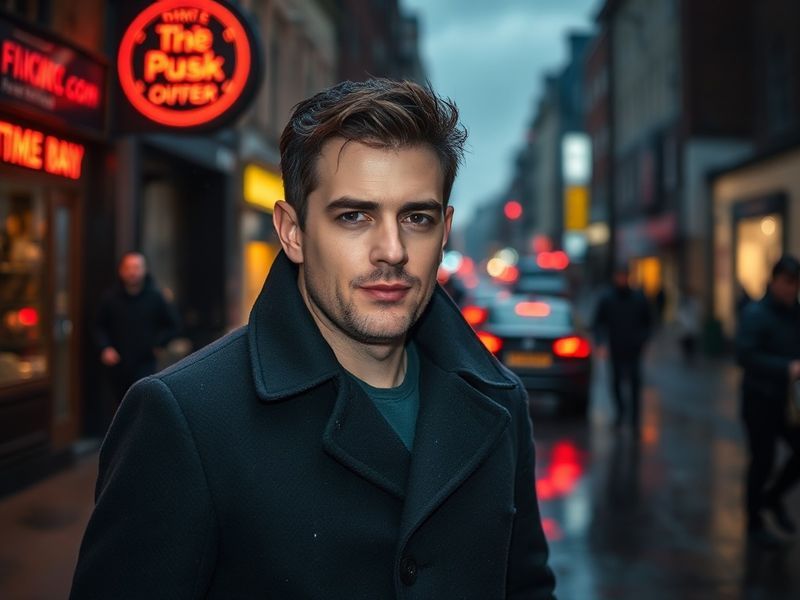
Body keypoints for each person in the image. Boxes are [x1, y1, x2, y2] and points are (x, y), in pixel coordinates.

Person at [71, 79, 556, 599]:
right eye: (354, 216)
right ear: (292, 232)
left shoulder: (500, 402)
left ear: (444, 231)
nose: (392, 250)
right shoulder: (185, 417)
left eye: (417, 217)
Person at [736, 254, 800, 544]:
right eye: (787, 282)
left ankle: (772, 498)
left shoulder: (795, 313)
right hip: (760, 400)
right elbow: (745, 356)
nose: (791, 289)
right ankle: (754, 524)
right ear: (774, 281)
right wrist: (786, 368)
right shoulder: (756, 314)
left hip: (790, 402)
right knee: (762, 461)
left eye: (795, 283)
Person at [95, 252, 179, 404]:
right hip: (117, 363)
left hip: (145, 362)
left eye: (136, 267)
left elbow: (173, 325)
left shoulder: (155, 297)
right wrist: (105, 348)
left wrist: (159, 344)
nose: (132, 272)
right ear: (121, 271)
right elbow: (98, 326)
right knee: (117, 404)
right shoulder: (110, 298)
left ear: (145, 270)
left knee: (142, 402)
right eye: (128, 268)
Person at [592, 264, 652, 431]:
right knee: (616, 382)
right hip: (616, 347)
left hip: (634, 348)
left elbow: (648, 322)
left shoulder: (638, 299)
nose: (622, 280)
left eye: (624, 276)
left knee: (635, 383)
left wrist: (643, 340)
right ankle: (620, 413)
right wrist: (600, 343)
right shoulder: (607, 298)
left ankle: (634, 419)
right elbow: (598, 323)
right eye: (619, 276)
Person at [676, 289, 702, 365]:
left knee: (689, 345)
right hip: (687, 328)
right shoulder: (689, 303)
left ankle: (689, 358)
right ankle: (689, 358)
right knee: (688, 345)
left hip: (688, 328)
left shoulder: (691, 303)